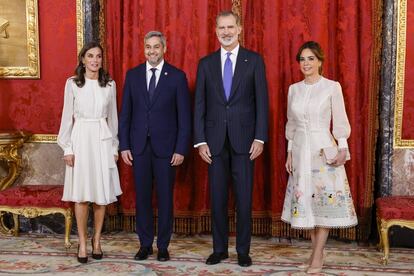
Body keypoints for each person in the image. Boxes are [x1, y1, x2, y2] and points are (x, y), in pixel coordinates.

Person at [193, 11, 269, 267]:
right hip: (213, 143)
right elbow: (199, 104)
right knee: (217, 198)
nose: (225, 32)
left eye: (230, 27)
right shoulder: (206, 63)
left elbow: (262, 102)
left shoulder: (254, 61)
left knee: (244, 198)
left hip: (245, 142)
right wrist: (200, 140)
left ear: (239, 29)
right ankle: (219, 249)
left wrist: (260, 137)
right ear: (216, 31)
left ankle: (243, 251)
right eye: (221, 28)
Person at [281, 41, 358, 274]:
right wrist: (289, 152)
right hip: (300, 149)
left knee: (323, 202)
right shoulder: (294, 89)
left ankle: (316, 256)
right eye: (302, 59)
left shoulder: (332, 87)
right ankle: (317, 252)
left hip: (323, 149)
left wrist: (342, 148)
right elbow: (291, 124)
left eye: (311, 59)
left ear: (320, 61)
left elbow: (340, 119)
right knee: (308, 203)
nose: (306, 63)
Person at [118, 31, 191, 262]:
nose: (152, 51)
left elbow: (184, 118)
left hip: (167, 149)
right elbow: (125, 114)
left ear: (164, 49)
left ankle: (163, 245)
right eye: (148, 47)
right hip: (139, 148)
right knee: (142, 198)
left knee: (165, 199)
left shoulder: (177, 77)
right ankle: (145, 244)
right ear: (144, 49)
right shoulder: (133, 76)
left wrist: (180, 148)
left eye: (156, 47)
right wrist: (124, 145)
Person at [57, 42, 122, 264]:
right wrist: (67, 147)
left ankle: (97, 240)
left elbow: (113, 119)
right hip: (81, 140)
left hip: (102, 141)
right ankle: (82, 242)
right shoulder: (73, 84)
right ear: (83, 59)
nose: (95, 60)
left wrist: (114, 147)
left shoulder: (110, 85)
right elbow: (67, 117)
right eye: (90, 56)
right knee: (82, 195)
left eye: (99, 57)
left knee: (100, 196)